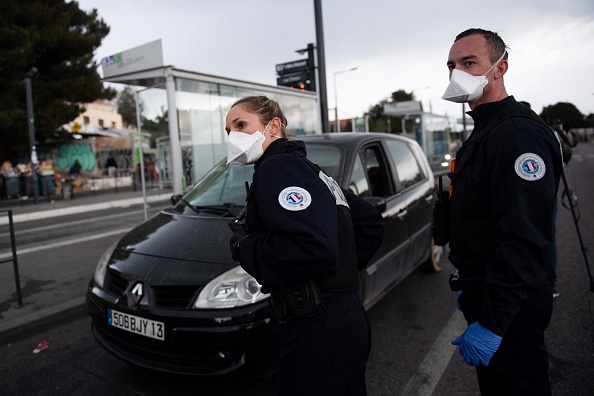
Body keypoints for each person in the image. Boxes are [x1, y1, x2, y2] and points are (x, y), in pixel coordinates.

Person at [225, 95, 384, 395]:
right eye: (228, 129)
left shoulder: (278, 167)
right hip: (345, 320)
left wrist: (245, 246)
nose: (233, 136)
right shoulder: (310, 169)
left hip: (316, 327)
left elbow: (311, 248)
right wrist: (338, 277)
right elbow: (369, 222)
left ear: (273, 126)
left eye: (241, 125)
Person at [438, 28, 563, 395]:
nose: (456, 71)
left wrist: (492, 323)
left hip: (512, 310)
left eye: (468, 62)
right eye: (451, 65)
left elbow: (523, 239)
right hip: (487, 293)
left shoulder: (517, 136)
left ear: (500, 68)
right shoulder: (485, 131)